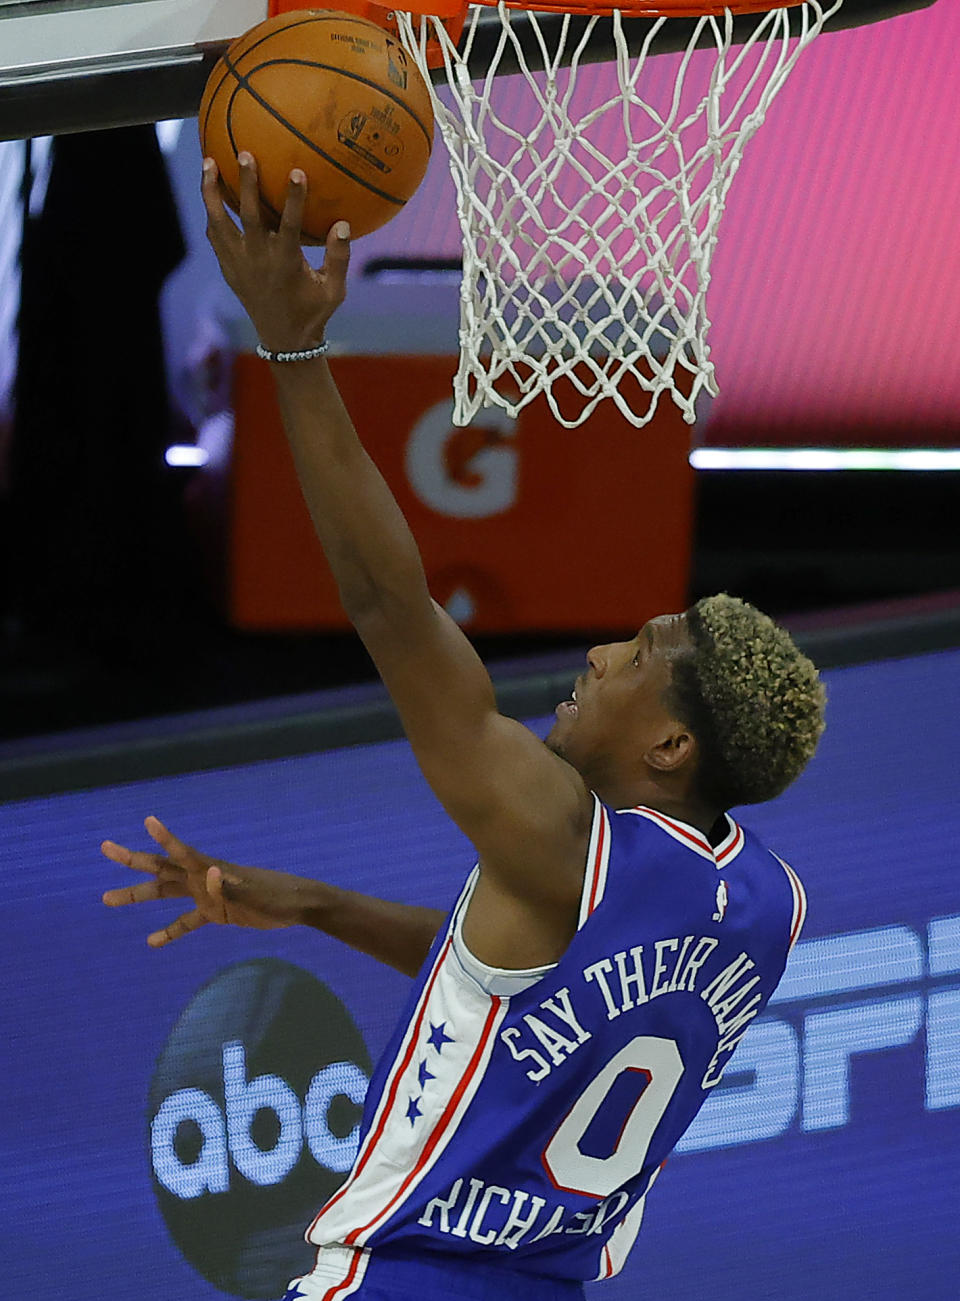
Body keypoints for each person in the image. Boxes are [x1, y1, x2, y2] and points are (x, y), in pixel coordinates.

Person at [102, 152, 826, 1301]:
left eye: (634, 657)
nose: (596, 653)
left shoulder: (562, 834)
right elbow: (529, 981)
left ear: (671, 747)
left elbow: (391, 606)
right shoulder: (766, 907)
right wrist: (319, 903)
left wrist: (291, 348)